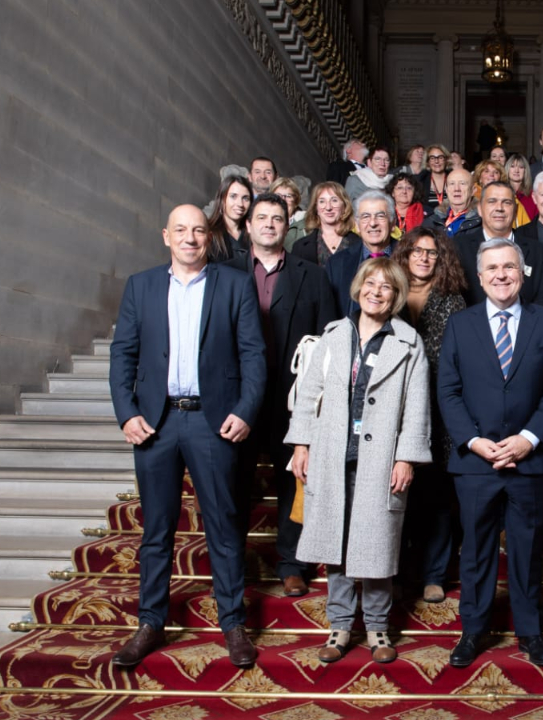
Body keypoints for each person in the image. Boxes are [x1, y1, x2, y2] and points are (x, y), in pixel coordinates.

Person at [108, 204, 266, 669]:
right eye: (181, 230)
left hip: (211, 422)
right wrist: (126, 414)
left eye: (198, 230)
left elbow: (254, 356)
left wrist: (245, 410)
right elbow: (123, 355)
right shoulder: (141, 285)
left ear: (208, 237)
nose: (190, 238)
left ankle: (233, 624)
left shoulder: (234, 284)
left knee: (222, 524)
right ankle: (150, 623)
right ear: (166, 236)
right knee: (156, 530)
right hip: (155, 424)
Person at [285, 257, 431, 665]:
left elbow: (416, 406)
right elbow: (308, 394)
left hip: (381, 457)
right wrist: (301, 445)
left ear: (396, 296)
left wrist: (407, 457)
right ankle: (340, 626)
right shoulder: (333, 335)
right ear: (358, 287)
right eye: (371, 283)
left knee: (376, 544)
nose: (376, 292)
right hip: (333, 454)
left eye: (386, 287)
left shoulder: (408, 342)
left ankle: (379, 628)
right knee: (335, 543)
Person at [438, 238, 543, 669]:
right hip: (476, 461)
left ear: (523, 273)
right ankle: (473, 631)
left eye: (509, 267)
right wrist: (475, 442)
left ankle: (530, 632)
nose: (500, 275)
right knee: (475, 550)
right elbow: (448, 391)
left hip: (530, 460)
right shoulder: (460, 324)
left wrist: (529, 438)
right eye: (492, 268)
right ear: (479, 276)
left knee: (528, 550)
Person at [226, 193, 339, 598]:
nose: (270, 224)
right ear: (249, 225)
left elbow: (328, 339)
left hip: (293, 397)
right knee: (234, 480)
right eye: (262, 217)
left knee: (295, 478)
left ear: (287, 225)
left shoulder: (312, 275)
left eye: (277, 218)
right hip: (239, 397)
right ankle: (231, 561)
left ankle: (292, 562)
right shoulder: (224, 272)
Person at [391, 227, 467, 604]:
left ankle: (434, 573)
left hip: (438, 410)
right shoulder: (387, 294)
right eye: (416, 251)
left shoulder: (453, 301)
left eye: (432, 253)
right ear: (404, 255)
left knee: (436, 495)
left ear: (441, 259)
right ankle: (401, 569)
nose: (423, 257)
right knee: (397, 491)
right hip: (392, 409)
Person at [454, 182, 543, 310]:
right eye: (492, 201)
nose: (499, 208)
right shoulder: (457, 249)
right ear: (479, 209)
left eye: (506, 202)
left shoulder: (539, 252)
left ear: (516, 210)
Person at [327, 190, 399, 317]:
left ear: (393, 223)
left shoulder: (409, 259)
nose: (372, 223)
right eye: (365, 216)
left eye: (380, 216)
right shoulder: (336, 263)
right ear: (357, 225)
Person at [292, 182, 357, 267]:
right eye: (322, 201)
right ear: (316, 208)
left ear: (344, 206)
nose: (328, 207)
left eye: (334, 200)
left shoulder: (359, 243)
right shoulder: (300, 247)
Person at [472, 159, 530, 228]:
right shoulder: (470, 199)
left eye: (496, 172)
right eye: (486, 171)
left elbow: (526, 228)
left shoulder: (514, 201)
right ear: (480, 178)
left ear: (500, 178)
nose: (491, 175)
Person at [424, 168, 481, 238]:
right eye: (452, 184)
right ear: (446, 190)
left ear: (473, 190)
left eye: (462, 183)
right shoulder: (432, 221)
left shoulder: (483, 222)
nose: (456, 189)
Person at [207, 175, 252, 262]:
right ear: (222, 199)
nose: (240, 204)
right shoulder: (209, 232)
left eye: (245, 198)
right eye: (233, 196)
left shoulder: (253, 234)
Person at [269, 177, 306, 253]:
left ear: (295, 201)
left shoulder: (307, 224)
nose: (283, 200)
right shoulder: (261, 222)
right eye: (278, 195)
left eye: (289, 196)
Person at [505, 153, 539, 223]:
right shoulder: (501, 193)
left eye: (521, 167)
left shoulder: (533, 196)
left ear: (525, 171)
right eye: (512, 166)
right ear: (508, 169)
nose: (516, 170)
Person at [418, 144, 450, 214]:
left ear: (446, 160)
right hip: (428, 221)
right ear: (427, 162)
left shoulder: (454, 178)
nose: (436, 161)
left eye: (440, 157)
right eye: (432, 158)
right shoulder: (421, 180)